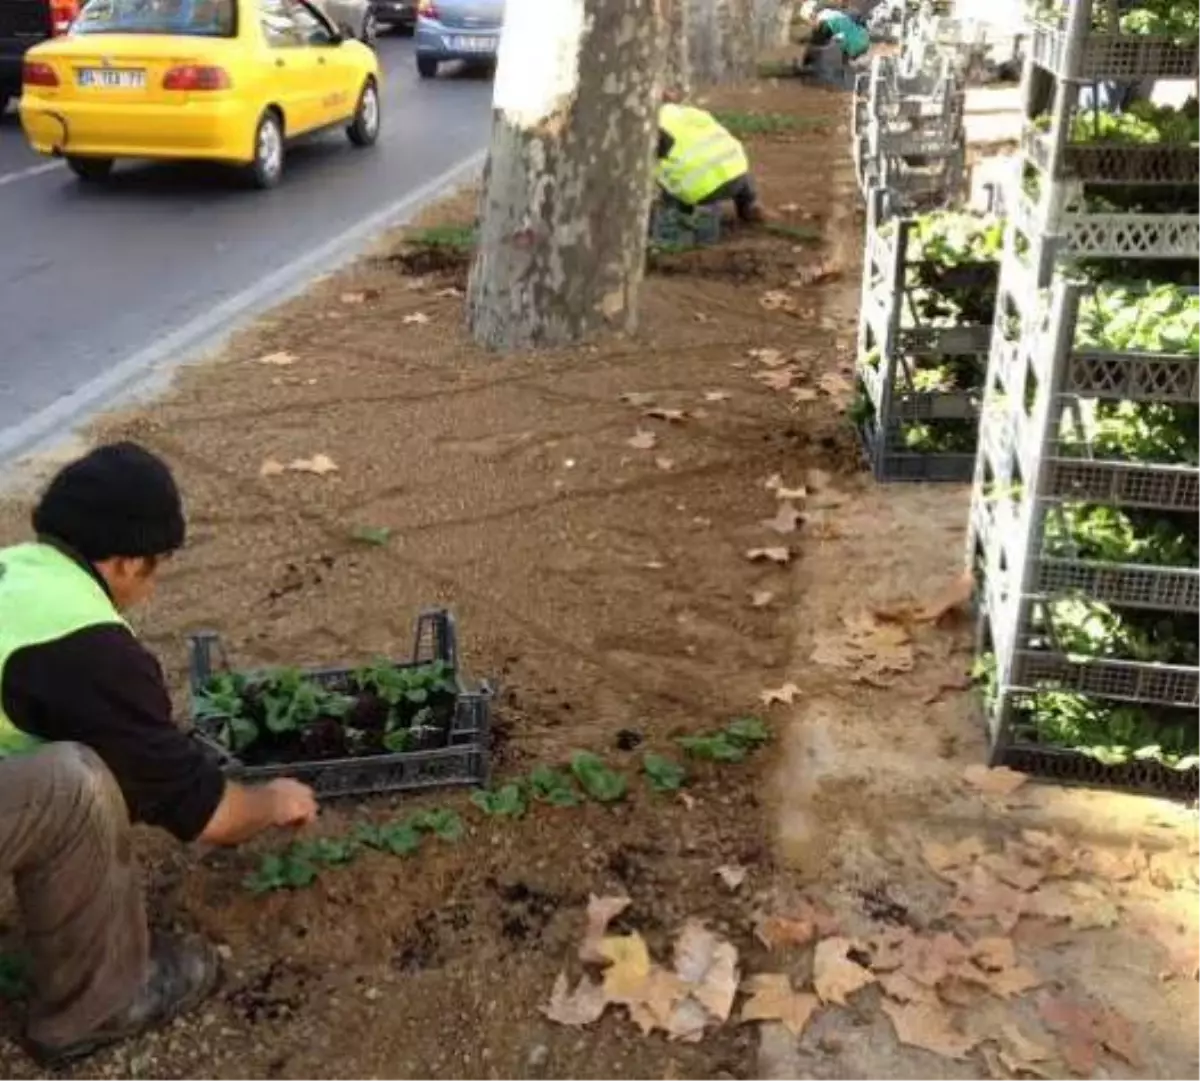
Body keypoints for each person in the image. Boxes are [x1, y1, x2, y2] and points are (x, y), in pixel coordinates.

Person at [0, 442, 318, 1067]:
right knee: (75, 785)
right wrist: (273, 801)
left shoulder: (18, 574)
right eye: (157, 565)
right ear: (123, 563)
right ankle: (100, 1004)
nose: (155, 583)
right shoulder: (87, 647)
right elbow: (206, 815)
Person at [656, 97, 765, 225]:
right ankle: (749, 203)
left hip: (701, 189)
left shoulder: (647, 130)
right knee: (729, 166)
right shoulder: (676, 110)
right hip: (736, 167)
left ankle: (690, 218)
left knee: (665, 179)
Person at [800, 1, 871, 62]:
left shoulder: (823, 22)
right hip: (861, 35)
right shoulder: (833, 13)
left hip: (854, 45)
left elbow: (817, 31)